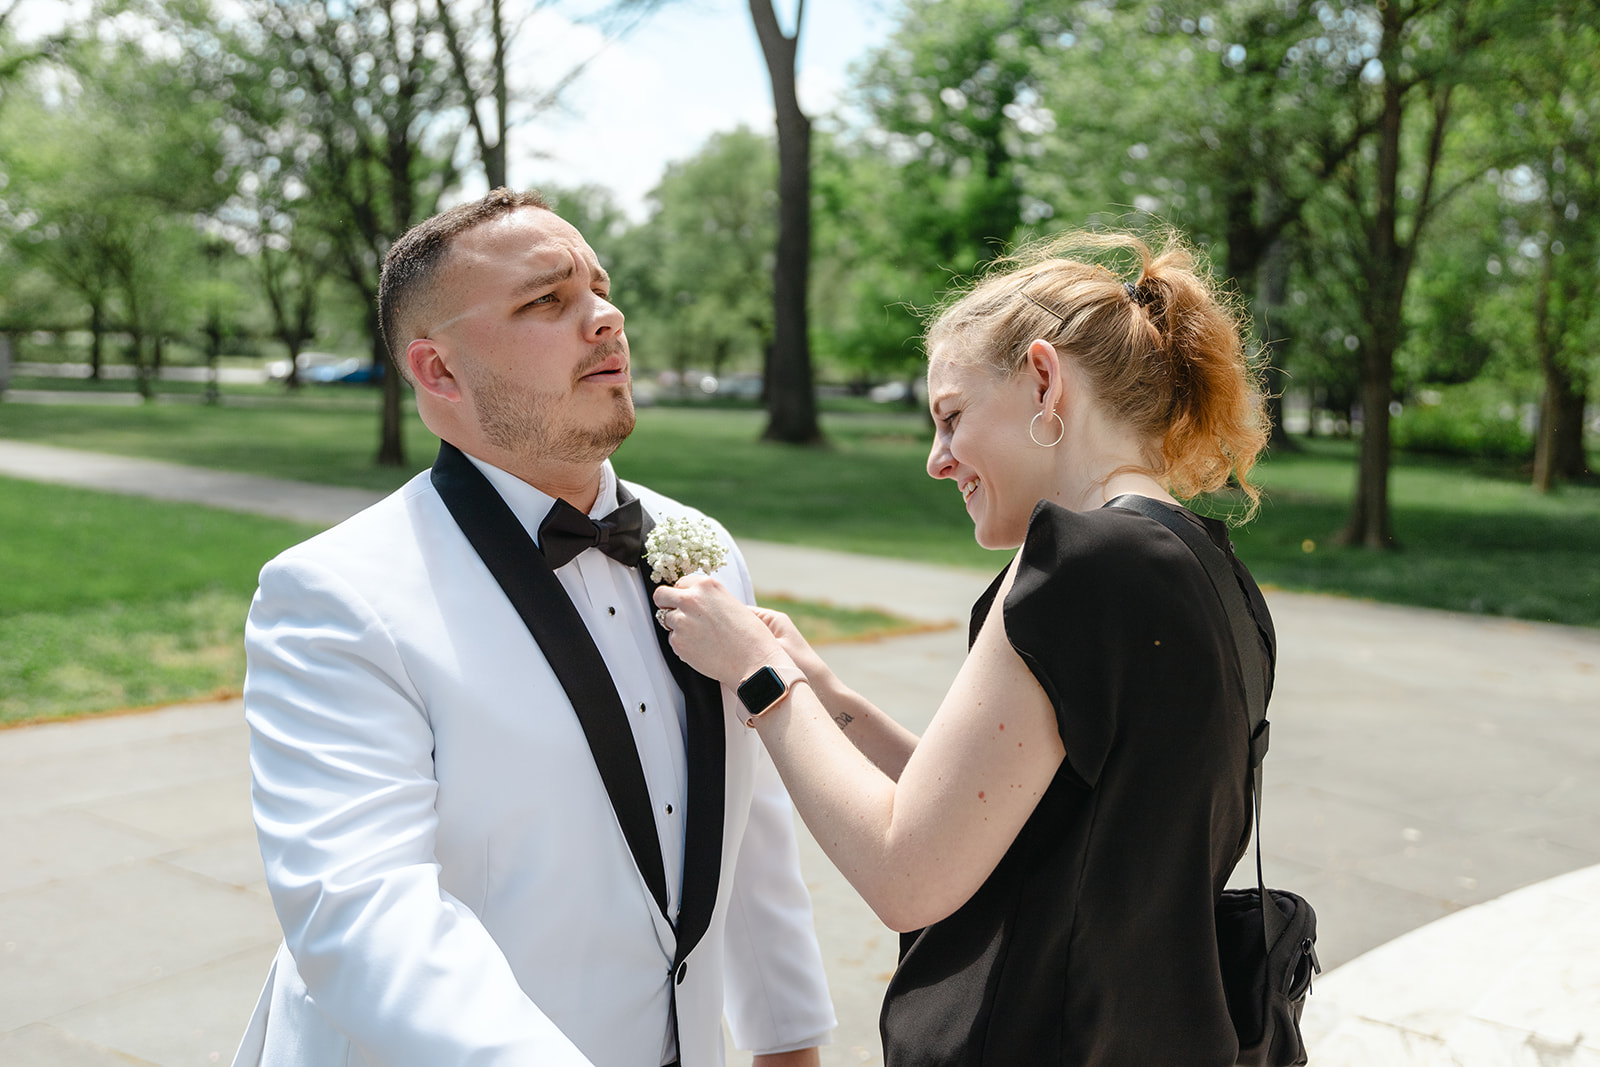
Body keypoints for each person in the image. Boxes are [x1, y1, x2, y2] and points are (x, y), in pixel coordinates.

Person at [233, 188, 834, 1067]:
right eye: (547, 300)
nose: (607, 317)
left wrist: (788, 1042)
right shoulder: (334, 594)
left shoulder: (699, 546)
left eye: (599, 287)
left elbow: (751, 825)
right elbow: (363, 916)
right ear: (438, 372)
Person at [654, 230, 1275, 1066]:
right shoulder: (1211, 566)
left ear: (1045, 380)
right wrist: (829, 696)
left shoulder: (1080, 565)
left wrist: (757, 679)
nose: (936, 461)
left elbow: (908, 872)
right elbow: (1029, 813)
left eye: (951, 417)